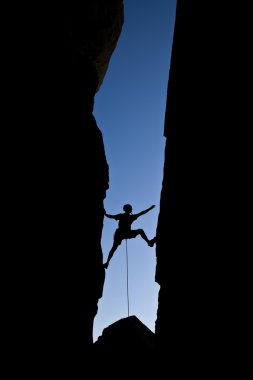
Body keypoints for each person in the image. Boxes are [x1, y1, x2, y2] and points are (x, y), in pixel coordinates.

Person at [103, 204, 156, 269]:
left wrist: (105, 214)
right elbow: (141, 213)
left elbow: (111, 216)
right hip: (125, 233)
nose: (131, 209)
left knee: (114, 248)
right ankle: (149, 242)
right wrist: (149, 208)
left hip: (120, 234)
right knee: (140, 231)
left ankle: (107, 262)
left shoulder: (121, 216)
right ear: (129, 209)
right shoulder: (131, 217)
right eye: (131, 208)